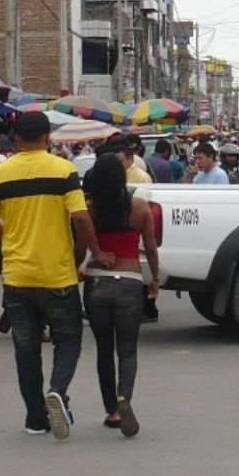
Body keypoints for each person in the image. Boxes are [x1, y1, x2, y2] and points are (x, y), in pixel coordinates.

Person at [0, 108, 110, 439]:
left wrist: (11, 237)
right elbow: (80, 218)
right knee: (69, 339)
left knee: (26, 349)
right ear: (49, 139)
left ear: (17, 139)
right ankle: (58, 391)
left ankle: (35, 418)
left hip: (18, 277)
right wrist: (95, 252)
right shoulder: (63, 170)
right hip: (57, 276)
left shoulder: (0, 173)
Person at [81, 151, 161, 436]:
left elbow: (81, 248)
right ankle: (124, 397)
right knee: (127, 350)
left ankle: (112, 411)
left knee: (104, 349)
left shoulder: (89, 209)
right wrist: (154, 279)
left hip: (97, 284)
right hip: (129, 283)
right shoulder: (140, 207)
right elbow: (150, 248)